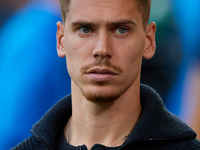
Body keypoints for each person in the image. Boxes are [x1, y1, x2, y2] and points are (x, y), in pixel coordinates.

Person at [11, 0, 200, 149]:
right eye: (85, 29)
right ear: (60, 40)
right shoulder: (35, 33)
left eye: (121, 30)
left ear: (149, 40)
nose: (102, 49)